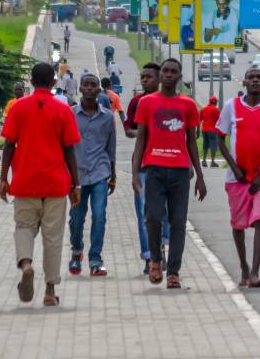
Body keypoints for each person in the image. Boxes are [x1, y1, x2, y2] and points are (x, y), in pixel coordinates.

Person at [0, 63, 81, 307]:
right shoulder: (63, 110)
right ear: (54, 82)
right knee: (53, 238)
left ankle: (26, 264)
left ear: (31, 81)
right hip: (55, 184)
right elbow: (69, 150)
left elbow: (8, 146)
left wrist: (4, 178)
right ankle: (49, 290)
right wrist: (75, 184)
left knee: (24, 228)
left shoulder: (18, 108)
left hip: (25, 182)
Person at [131, 58, 207, 289]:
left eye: (173, 72)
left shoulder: (188, 105)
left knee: (178, 222)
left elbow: (192, 142)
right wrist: (135, 172)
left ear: (179, 76)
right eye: (165, 71)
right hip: (153, 169)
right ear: (161, 74)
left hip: (180, 171)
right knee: (152, 217)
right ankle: (155, 259)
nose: (168, 75)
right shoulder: (147, 103)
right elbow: (141, 138)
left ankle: (173, 271)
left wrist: (200, 176)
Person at [214, 68, 260, 288]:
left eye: (259, 77)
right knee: (238, 225)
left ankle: (255, 272)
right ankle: (244, 268)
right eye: (251, 78)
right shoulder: (230, 106)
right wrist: (234, 168)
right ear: (244, 82)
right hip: (237, 178)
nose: (255, 80)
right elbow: (220, 138)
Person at [69, 74, 116, 277]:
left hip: (100, 173)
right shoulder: (70, 114)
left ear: (99, 90)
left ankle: (95, 259)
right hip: (76, 175)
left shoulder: (107, 117)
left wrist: (112, 175)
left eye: (93, 85)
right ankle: (76, 251)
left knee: (99, 216)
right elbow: (65, 146)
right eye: (85, 84)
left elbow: (111, 147)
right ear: (80, 88)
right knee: (76, 219)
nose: (89, 88)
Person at [125, 62, 167, 272]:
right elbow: (129, 130)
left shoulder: (169, 102)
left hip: (166, 164)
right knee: (144, 213)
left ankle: (161, 248)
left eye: (149, 77)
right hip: (142, 164)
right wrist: (143, 132)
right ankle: (150, 257)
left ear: (159, 80)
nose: (144, 81)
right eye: (142, 77)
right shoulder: (136, 102)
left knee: (164, 212)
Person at [200, 96, 221, 168]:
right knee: (213, 146)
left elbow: (200, 119)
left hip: (204, 130)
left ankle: (204, 161)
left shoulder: (203, 109)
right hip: (212, 130)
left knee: (205, 145)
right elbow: (219, 120)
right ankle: (212, 162)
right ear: (215, 102)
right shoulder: (216, 110)